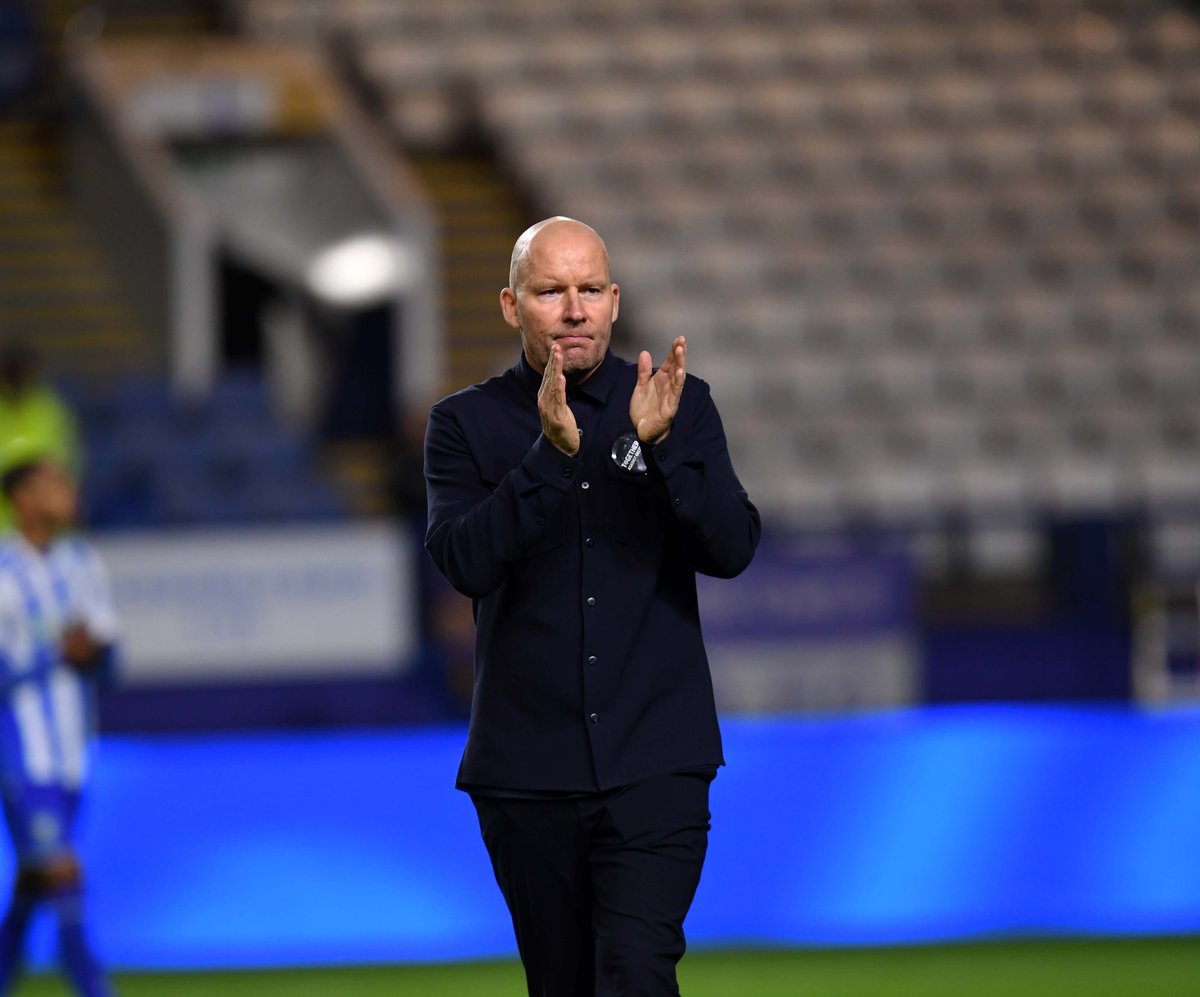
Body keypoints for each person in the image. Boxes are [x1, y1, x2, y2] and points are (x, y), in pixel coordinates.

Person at [424, 217, 760, 996]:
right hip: (527, 771)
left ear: (614, 301)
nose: (574, 308)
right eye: (551, 291)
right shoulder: (464, 424)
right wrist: (548, 455)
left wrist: (666, 447)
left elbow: (732, 548)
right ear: (511, 305)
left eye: (590, 290)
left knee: (636, 972)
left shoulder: (678, 404)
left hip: (657, 762)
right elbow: (464, 562)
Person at [0, 449, 118, 997]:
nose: (67, 492)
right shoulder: (3, 573)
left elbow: (111, 660)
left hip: (73, 749)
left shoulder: (83, 564)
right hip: (22, 748)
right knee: (63, 868)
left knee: (36, 876)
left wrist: (95, 652)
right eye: (53, 484)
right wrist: (57, 653)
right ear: (23, 499)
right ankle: (92, 985)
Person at [0, 345, 83, 531]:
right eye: (10, 373)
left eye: (19, 372)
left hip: (44, 528)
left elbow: (62, 463)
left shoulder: (50, 410)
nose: (15, 379)